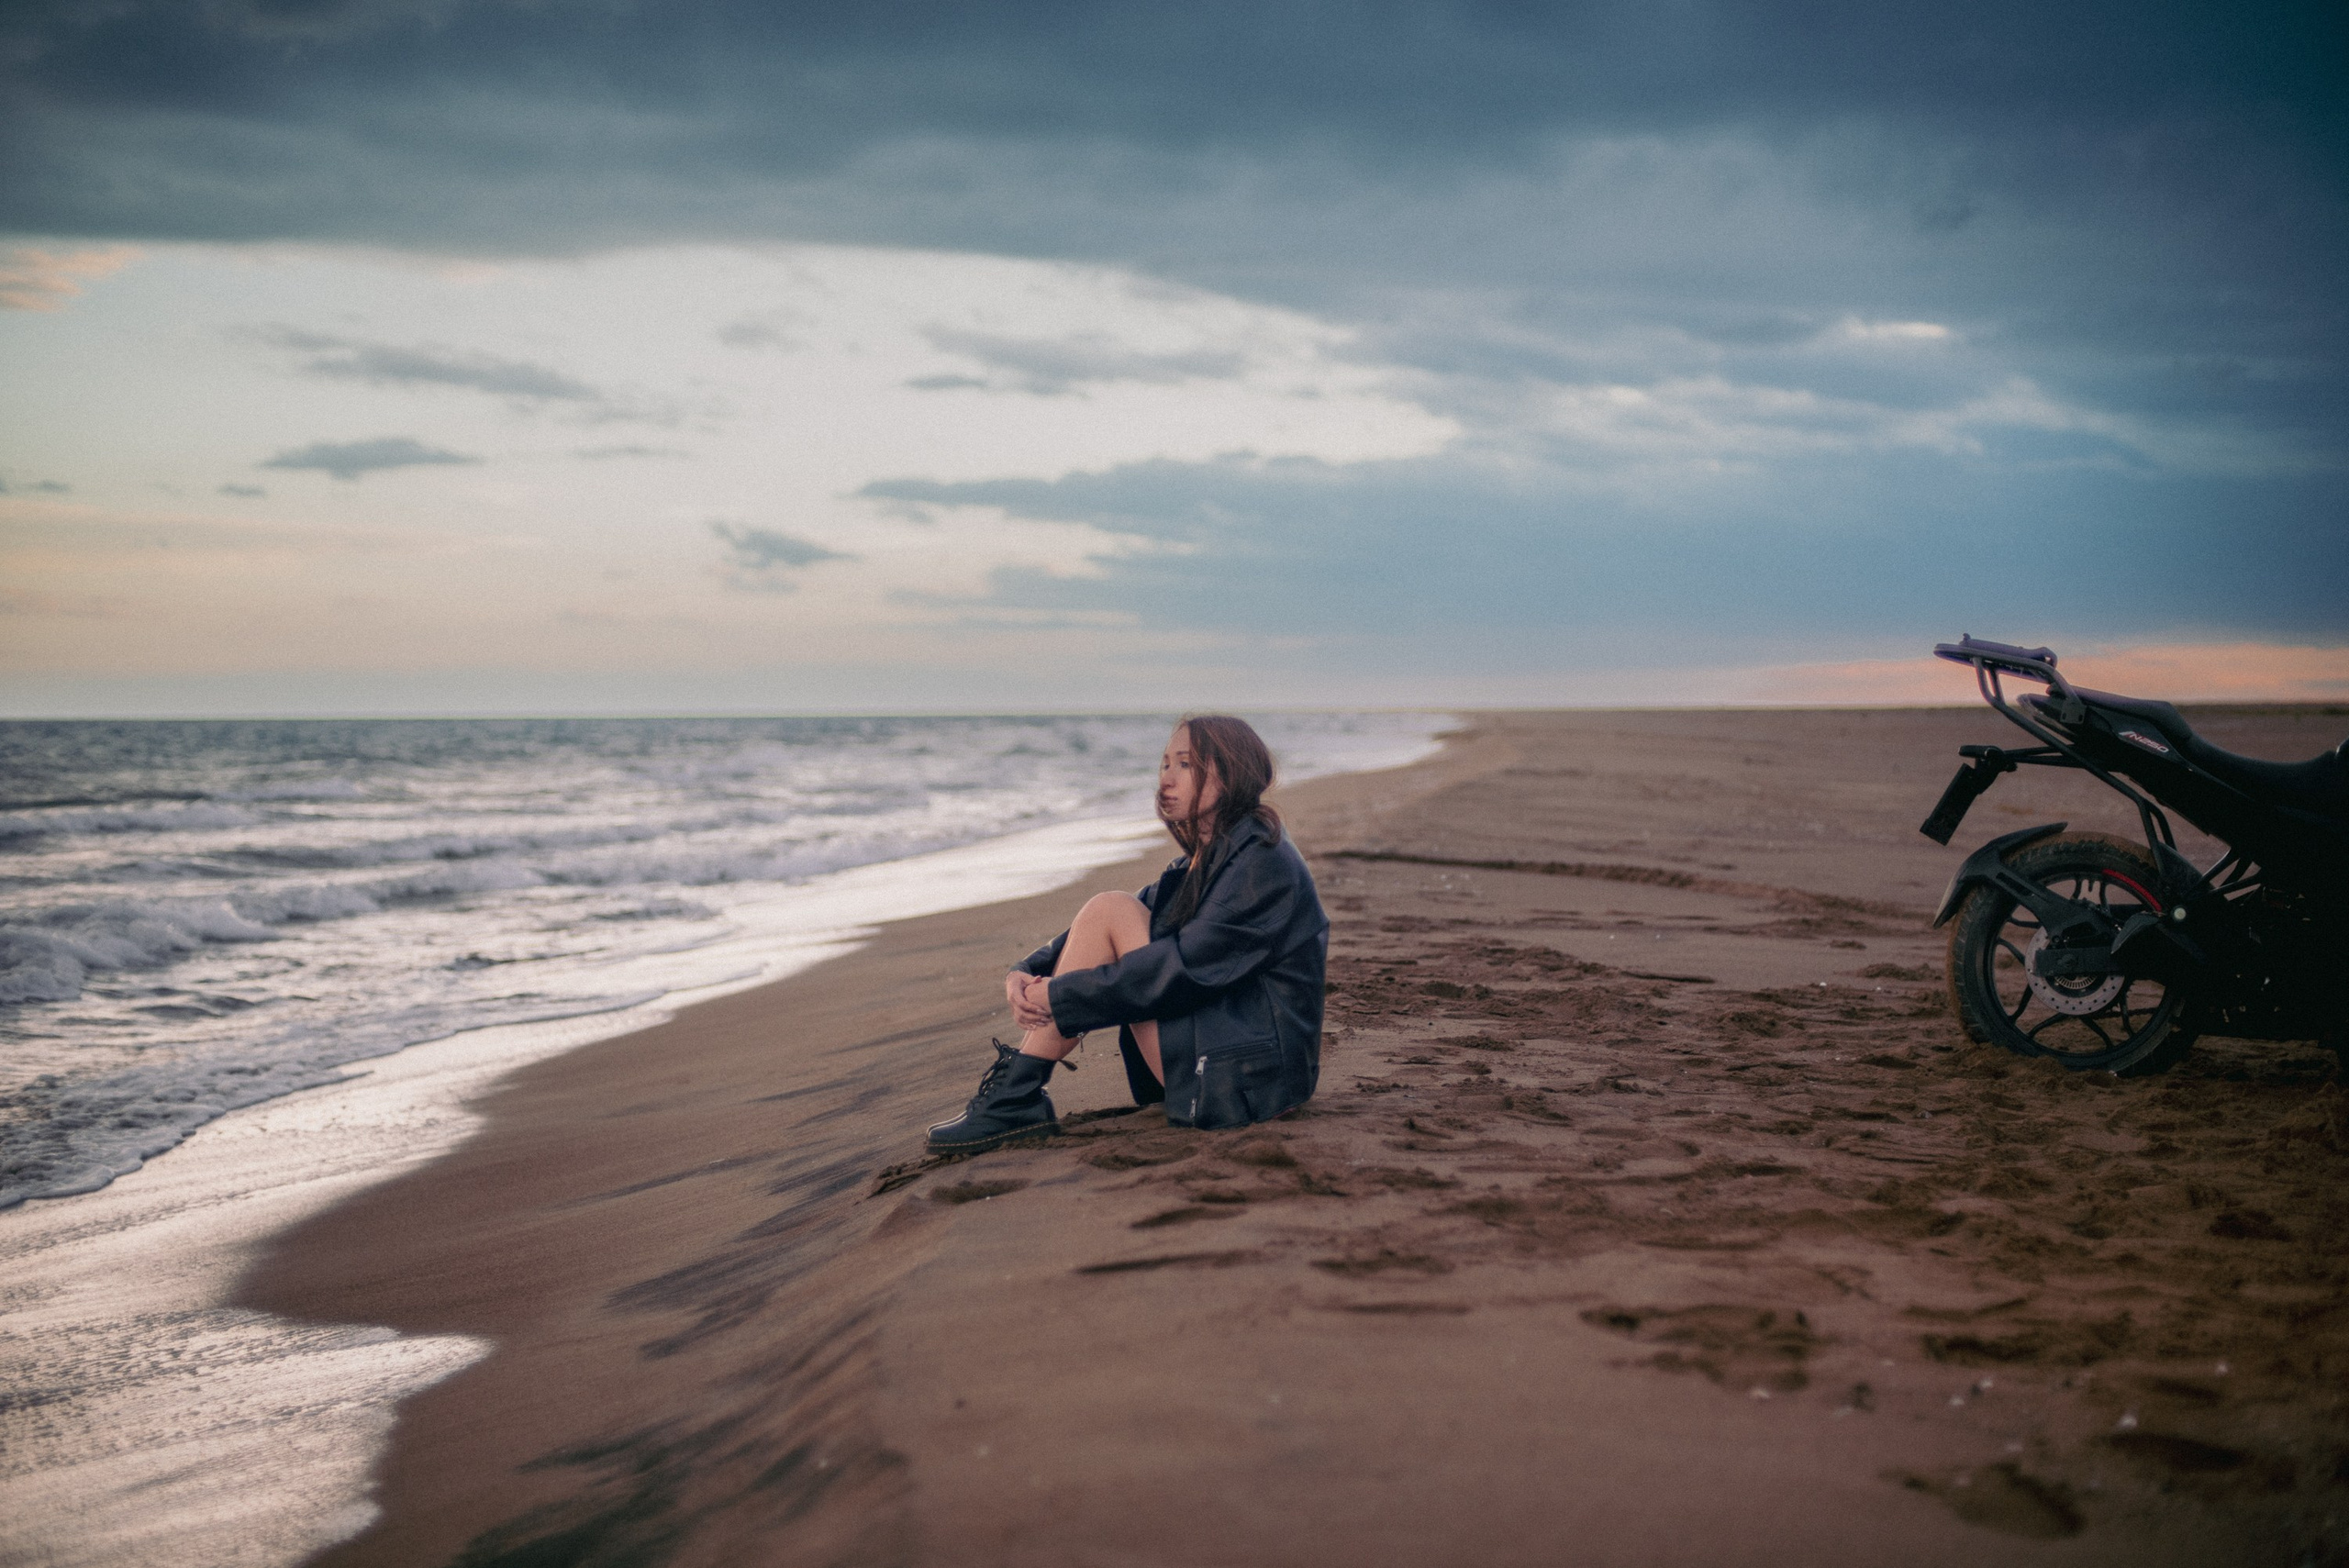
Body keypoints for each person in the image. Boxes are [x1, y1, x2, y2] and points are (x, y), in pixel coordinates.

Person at [926, 715, 1330, 1153]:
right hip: (1234, 1065)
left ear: (1231, 773)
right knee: (1114, 908)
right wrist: (1025, 971)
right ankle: (1016, 1094)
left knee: (1113, 909)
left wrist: (1059, 995)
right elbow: (1117, 923)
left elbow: (1184, 970)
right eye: (1163, 764)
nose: (1166, 779)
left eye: (1185, 765)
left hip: (1252, 1083)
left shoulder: (1260, 862)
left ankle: (1015, 1095)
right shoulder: (1211, 856)